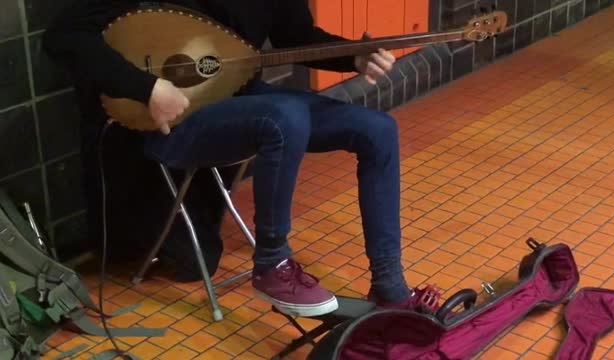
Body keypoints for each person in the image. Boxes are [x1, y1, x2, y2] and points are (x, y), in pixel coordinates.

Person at [44, 0, 434, 317]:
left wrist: (354, 58)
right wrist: (146, 88)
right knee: (285, 116)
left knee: (378, 130)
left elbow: (295, 36)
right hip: (173, 120)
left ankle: (389, 285)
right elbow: (64, 36)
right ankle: (272, 263)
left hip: (241, 102)